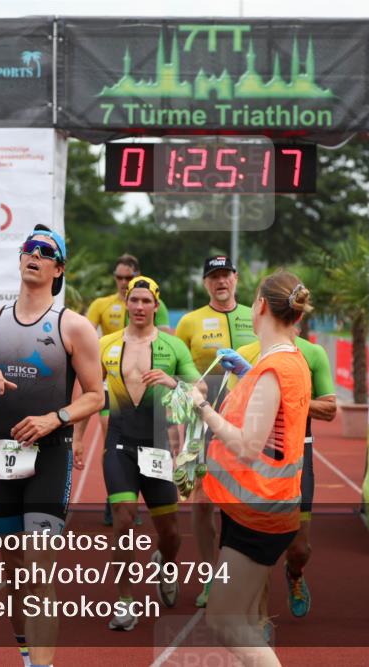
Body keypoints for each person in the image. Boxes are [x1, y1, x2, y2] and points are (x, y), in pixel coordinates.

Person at [0, 225, 103, 667]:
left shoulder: (73, 326)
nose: (34, 255)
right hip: (0, 456)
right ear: (20, 261)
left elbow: (97, 394)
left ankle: (43, 664)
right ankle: (27, 655)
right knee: (15, 571)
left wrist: (53, 418)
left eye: (45, 251)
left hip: (51, 454)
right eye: (28, 250)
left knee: (38, 571)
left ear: (58, 268)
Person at [189, 270, 312, 667]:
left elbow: (246, 445)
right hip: (259, 506)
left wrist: (202, 409)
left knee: (224, 620)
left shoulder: (274, 368)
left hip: (260, 511)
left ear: (260, 305)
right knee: (240, 617)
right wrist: (247, 375)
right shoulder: (284, 360)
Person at [97, 276, 201, 631]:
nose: (139, 307)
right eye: (133, 300)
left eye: (146, 301)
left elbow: (200, 388)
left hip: (157, 444)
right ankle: (125, 602)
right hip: (119, 443)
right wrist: (79, 438)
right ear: (126, 303)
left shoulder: (173, 347)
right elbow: (88, 390)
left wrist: (174, 383)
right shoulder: (106, 344)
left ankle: (166, 563)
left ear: (157, 306)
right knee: (124, 520)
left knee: (170, 532)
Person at [225, 333, 336, 627]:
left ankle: (295, 574)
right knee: (259, 544)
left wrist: (286, 398)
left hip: (299, 451)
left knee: (299, 547)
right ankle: (260, 620)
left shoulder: (313, 353)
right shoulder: (247, 352)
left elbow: (329, 409)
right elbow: (237, 406)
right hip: (259, 452)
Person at [175, 255, 257, 607]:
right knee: (203, 500)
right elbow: (178, 371)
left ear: (236, 278)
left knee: (240, 499)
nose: (220, 282)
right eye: (213, 277)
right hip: (202, 421)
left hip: (248, 419)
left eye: (225, 275)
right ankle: (212, 574)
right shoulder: (190, 322)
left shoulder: (254, 316)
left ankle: (240, 572)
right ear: (205, 283)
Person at [84, 254, 169, 526]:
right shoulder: (102, 304)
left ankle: (135, 495)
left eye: (127, 278)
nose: (122, 282)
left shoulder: (158, 305)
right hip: (113, 384)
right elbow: (87, 335)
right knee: (111, 431)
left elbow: (166, 340)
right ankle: (116, 498)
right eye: (119, 277)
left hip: (147, 390)